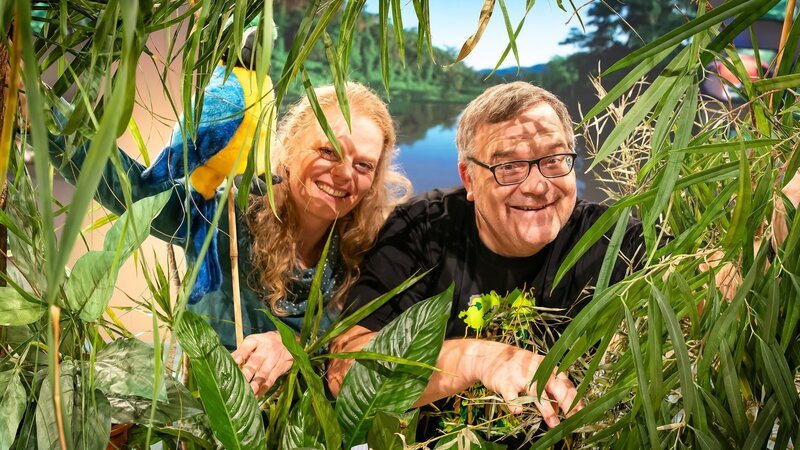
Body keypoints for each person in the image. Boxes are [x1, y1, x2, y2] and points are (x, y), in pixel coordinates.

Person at [36, 81, 410, 396]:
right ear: (292, 145)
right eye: (328, 150)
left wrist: (292, 347)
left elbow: (360, 347)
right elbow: (130, 190)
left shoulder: (369, 250)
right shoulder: (226, 216)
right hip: (204, 421)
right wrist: (40, 109)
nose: (345, 173)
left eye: (364, 165)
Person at [327, 81, 645, 429]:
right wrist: (475, 357)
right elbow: (346, 373)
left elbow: (704, 287)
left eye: (554, 160)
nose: (538, 186)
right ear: (470, 179)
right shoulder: (421, 230)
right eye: (508, 166)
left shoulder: (613, 239)